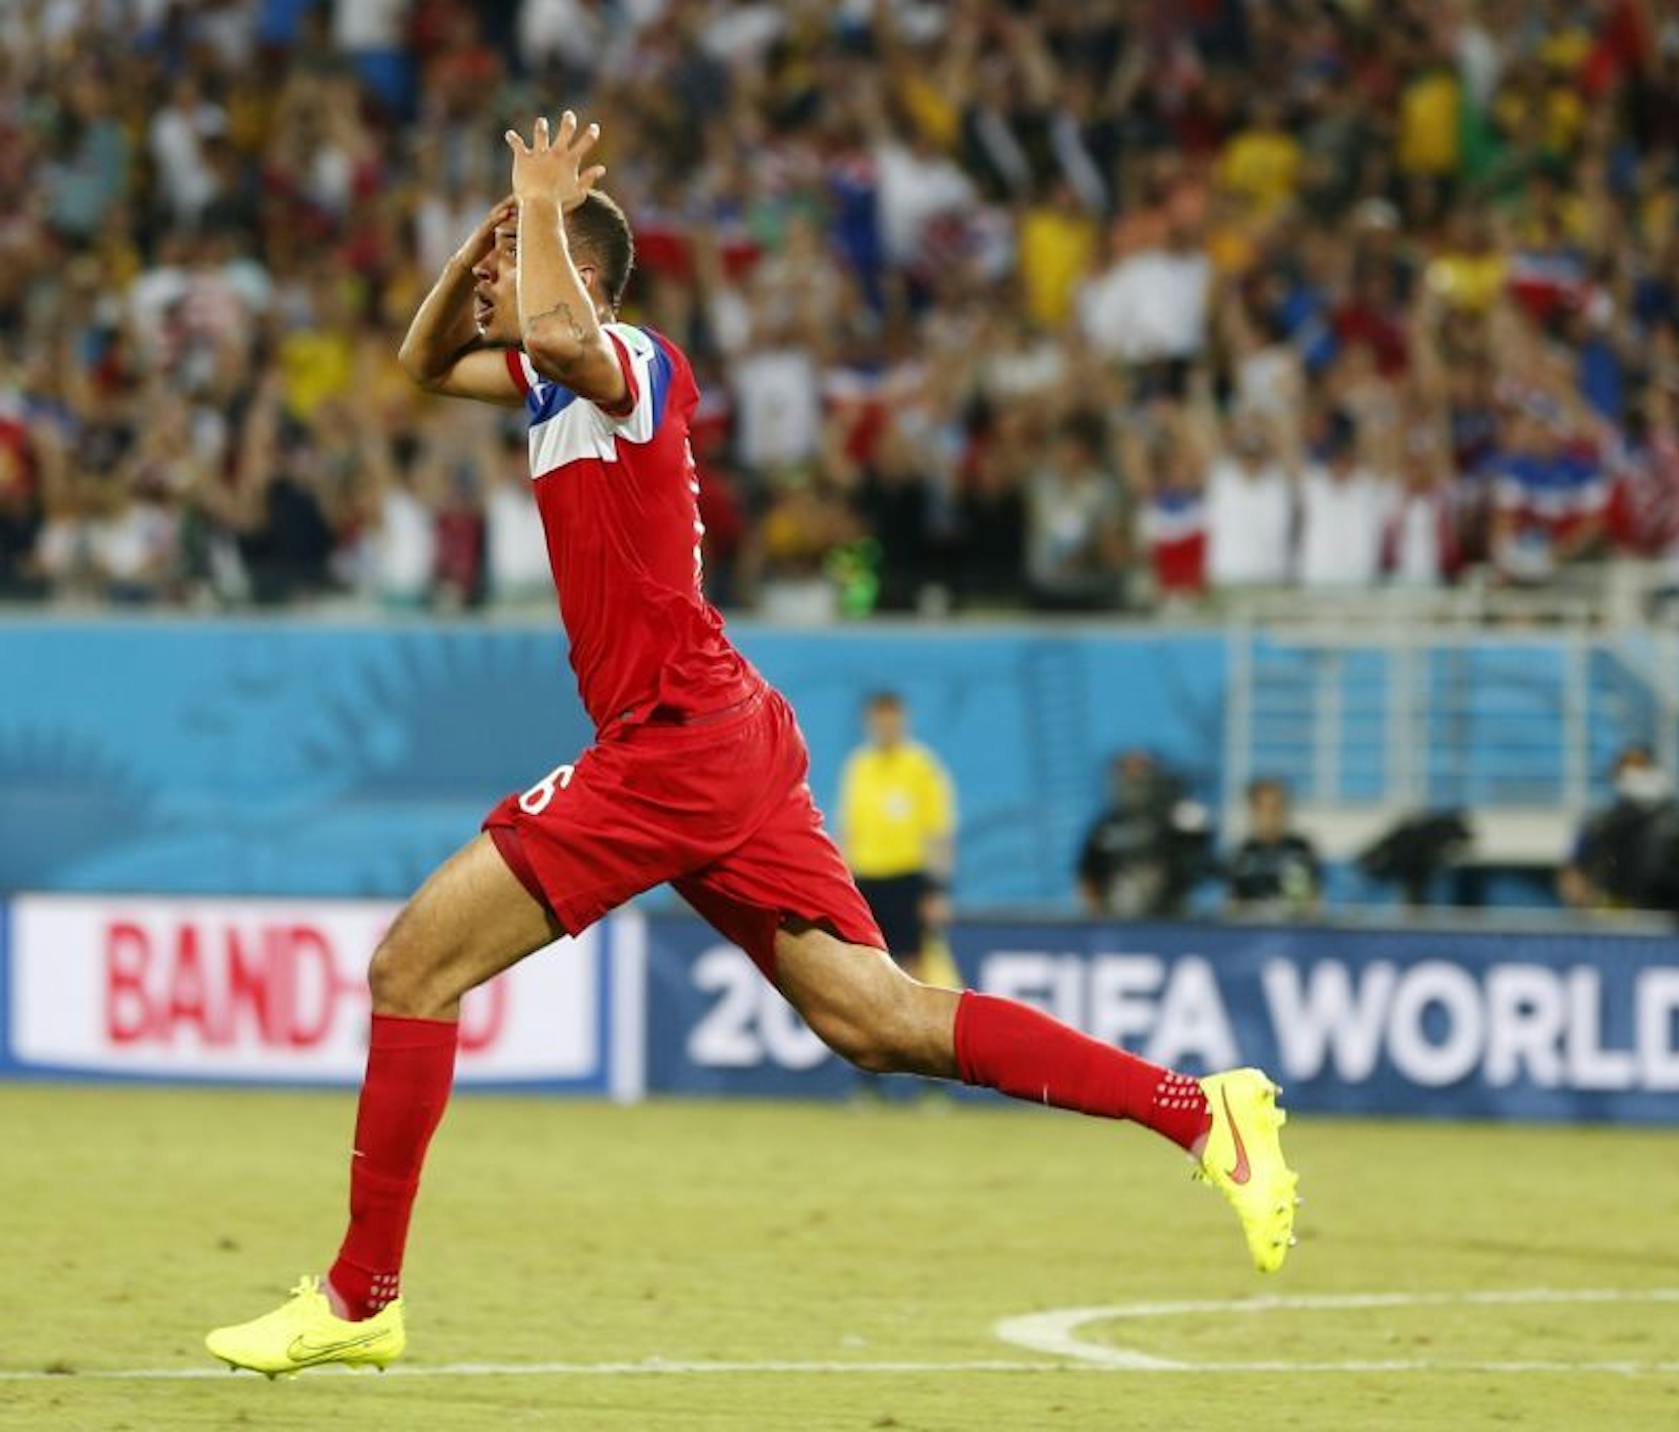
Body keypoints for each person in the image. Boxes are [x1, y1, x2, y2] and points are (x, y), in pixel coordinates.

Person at [204, 114, 1297, 1379]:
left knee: (411, 967)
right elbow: (420, 359)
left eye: (506, 267)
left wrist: (541, 211)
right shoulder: (554, 381)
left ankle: (359, 1298)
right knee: (877, 1018)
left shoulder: (626, 356)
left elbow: (561, 327)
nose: (490, 287)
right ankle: (1198, 1109)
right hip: (716, 738)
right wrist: (492, 237)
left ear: (578, 272)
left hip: (676, 742)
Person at [837, 690, 955, 979]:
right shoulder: (859, 767)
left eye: (891, 720)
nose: (885, 727)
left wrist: (936, 890)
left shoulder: (921, 767)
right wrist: (842, 884)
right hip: (867, 879)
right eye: (879, 720)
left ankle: (916, 1025)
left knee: (916, 965)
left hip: (908, 879)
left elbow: (938, 832)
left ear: (903, 721)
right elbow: (848, 830)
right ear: (869, 723)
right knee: (869, 962)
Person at [1559, 747, 1679, 922]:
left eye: (1641, 767)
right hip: (1621, 920)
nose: (1636, 775)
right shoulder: (1601, 824)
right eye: (1630, 768)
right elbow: (1573, 875)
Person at [1077, 750, 1213, 919]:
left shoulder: (1175, 816)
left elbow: (1198, 861)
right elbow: (1088, 872)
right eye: (1127, 771)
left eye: (1141, 770)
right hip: (1116, 919)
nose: (1134, 779)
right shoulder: (1107, 825)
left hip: (1168, 917)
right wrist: (1095, 914)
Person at [1223, 778, 1323, 917]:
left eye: (1277, 807)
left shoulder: (1300, 849)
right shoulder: (1242, 853)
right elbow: (1232, 906)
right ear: (1253, 810)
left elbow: (1314, 902)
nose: (1271, 816)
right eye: (1263, 808)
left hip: (1294, 930)